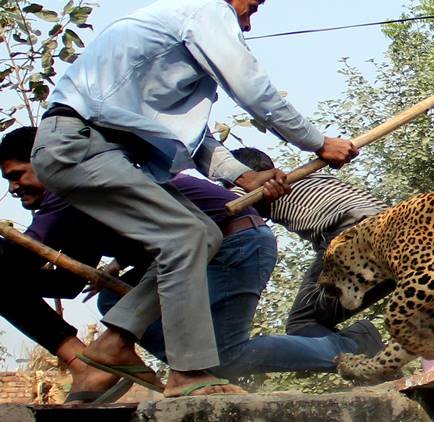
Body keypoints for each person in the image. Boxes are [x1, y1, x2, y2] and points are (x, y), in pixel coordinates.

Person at [30, 0, 357, 397]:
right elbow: (252, 87)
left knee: (201, 233)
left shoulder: (170, 36)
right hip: (79, 143)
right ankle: (186, 373)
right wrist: (318, 141)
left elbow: (183, 137)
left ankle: (113, 345)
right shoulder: (205, 9)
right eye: (250, 8)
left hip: (90, 146)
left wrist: (244, 175)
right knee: (185, 235)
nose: (248, 24)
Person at [0, 127, 378, 402]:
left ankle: (350, 348)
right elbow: (61, 285)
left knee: (227, 356)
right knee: (113, 303)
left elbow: (15, 265)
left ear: (43, 161)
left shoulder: (66, 189)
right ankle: (96, 364)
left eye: (17, 175)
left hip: (234, 244)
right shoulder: (77, 207)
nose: (14, 188)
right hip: (196, 256)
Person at [228, 147, 394, 338]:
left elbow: (224, 207)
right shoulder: (314, 176)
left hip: (356, 234)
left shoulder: (252, 188)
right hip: (397, 232)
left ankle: (363, 350)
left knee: (303, 324)